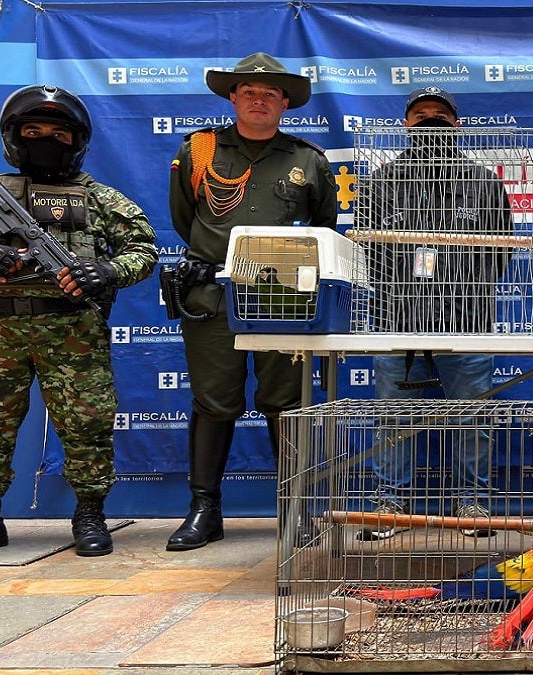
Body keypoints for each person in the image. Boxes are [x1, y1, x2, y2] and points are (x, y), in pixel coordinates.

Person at [0, 84, 157, 558]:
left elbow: (143, 252)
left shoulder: (101, 200)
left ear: (77, 140)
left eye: (58, 133)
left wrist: (106, 271)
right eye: (33, 131)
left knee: (87, 426)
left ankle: (88, 515)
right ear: (13, 137)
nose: (44, 139)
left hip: (72, 331)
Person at [166, 53, 338, 551]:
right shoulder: (200, 151)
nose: (258, 99)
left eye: (270, 93)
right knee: (214, 402)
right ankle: (204, 510)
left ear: (285, 102)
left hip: (284, 299)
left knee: (285, 403)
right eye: (249, 91)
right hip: (213, 296)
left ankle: (294, 512)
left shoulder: (309, 160)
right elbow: (185, 219)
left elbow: (323, 228)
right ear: (233, 97)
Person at [358, 87, 513, 540]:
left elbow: (500, 251)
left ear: (457, 125)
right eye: (420, 115)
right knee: (393, 421)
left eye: (440, 115)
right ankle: (389, 502)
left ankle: (472, 502)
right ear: (405, 125)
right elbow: (366, 253)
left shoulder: (483, 181)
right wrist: (404, 295)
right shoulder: (381, 181)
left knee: (471, 419)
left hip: (466, 326)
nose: (430, 121)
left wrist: (463, 293)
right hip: (397, 323)